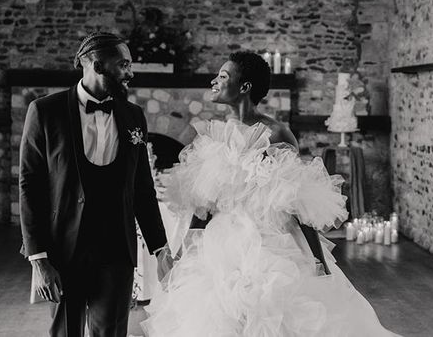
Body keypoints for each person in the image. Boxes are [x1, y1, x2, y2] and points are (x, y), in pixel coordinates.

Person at [142, 50, 401, 336]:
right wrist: (181, 255)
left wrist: (318, 258)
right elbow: (205, 205)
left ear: (245, 87)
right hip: (222, 244)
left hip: (270, 241)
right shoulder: (214, 136)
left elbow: (295, 200)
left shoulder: (277, 134)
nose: (214, 81)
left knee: (272, 310)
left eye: (223, 76)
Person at [19, 32, 172, 337]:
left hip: (117, 250)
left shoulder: (133, 116)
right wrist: (39, 260)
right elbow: (30, 185)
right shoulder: (45, 112)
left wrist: (161, 248)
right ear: (97, 65)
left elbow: (142, 189)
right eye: (123, 64)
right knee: (66, 332)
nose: (130, 72)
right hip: (64, 250)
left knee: (111, 333)